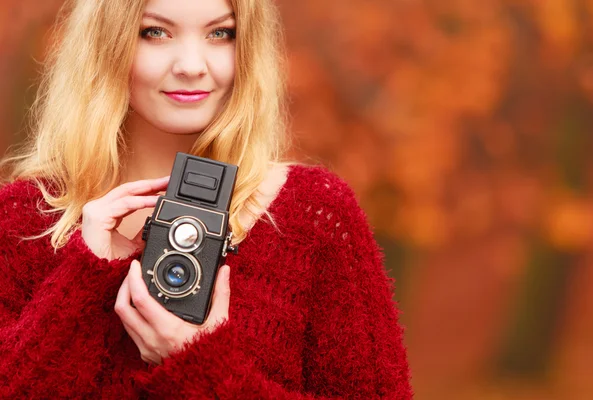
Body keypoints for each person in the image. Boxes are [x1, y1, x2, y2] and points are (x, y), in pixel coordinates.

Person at [0, 0, 413, 398]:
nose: (192, 66)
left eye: (221, 33)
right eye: (155, 32)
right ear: (107, 42)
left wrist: (202, 368)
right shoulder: (23, 218)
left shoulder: (313, 215)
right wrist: (81, 278)